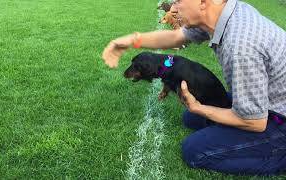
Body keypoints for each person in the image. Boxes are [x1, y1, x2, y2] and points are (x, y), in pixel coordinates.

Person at [102, 0, 286, 175]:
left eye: (178, 1)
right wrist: (130, 40)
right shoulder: (221, 16)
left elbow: (255, 122)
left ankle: (280, 159)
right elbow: (175, 37)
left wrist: (200, 107)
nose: (173, 9)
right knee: (190, 118)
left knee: (193, 151)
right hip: (266, 101)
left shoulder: (241, 45)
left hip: (277, 117)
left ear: (203, 2)